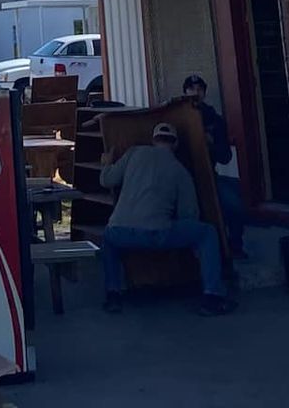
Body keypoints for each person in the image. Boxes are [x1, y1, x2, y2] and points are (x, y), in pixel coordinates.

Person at [98, 121, 232, 316]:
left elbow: (107, 180)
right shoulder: (180, 170)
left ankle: (113, 295)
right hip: (157, 234)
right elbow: (189, 215)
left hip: (121, 232)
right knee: (206, 232)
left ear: (153, 140)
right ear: (175, 144)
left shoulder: (134, 153)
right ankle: (213, 296)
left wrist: (106, 163)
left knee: (108, 238)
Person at [181, 73, 247, 259]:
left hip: (209, 176)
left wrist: (211, 143)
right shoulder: (176, 117)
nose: (196, 92)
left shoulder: (214, 119)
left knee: (234, 206)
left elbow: (225, 157)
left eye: (200, 89)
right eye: (191, 89)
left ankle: (235, 247)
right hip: (182, 177)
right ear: (185, 92)